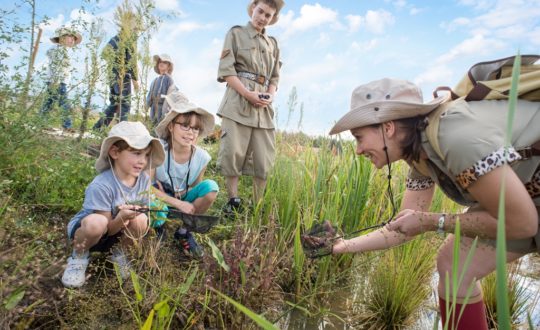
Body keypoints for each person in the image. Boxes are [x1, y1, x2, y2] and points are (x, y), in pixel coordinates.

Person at [314, 78, 540, 329]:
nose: (358, 149)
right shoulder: (421, 156)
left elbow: (522, 225)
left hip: (528, 205)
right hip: (529, 198)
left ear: (387, 128)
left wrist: (432, 222)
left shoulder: (456, 138)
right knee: (455, 266)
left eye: (359, 137)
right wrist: (341, 246)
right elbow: (401, 228)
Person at [61, 121, 165, 288]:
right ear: (115, 152)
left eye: (146, 155)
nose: (142, 161)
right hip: (96, 233)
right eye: (137, 153)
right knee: (96, 223)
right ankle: (79, 257)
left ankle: (119, 254)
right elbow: (106, 230)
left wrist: (142, 212)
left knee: (142, 220)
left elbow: (143, 214)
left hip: (118, 234)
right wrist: (122, 217)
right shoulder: (102, 185)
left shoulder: (144, 180)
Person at [216, 0, 285, 216]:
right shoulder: (236, 34)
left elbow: (275, 77)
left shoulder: (273, 43)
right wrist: (248, 94)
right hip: (238, 102)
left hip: (263, 107)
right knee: (232, 152)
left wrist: (270, 96)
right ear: (252, 8)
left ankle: (257, 206)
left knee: (264, 158)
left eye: (268, 15)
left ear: (272, 19)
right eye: (260, 11)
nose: (262, 17)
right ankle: (233, 201)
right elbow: (226, 71)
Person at [151, 91, 218, 258]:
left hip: (183, 197)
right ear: (171, 126)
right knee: (153, 201)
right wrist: (176, 202)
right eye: (185, 125)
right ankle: (157, 228)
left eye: (195, 128)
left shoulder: (201, 157)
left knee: (211, 187)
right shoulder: (157, 149)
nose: (190, 132)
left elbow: (197, 188)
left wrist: (184, 196)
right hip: (161, 199)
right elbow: (146, 188)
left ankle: (184, 231)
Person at [93, 6, 140, 130]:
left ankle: (98, 128)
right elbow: (131, 60)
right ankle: (121, 131)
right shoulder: (127, 38)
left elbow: (105, 53)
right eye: (133, 22)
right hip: (121, 75)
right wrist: (135, 80)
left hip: (113, 75)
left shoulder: (117, 38)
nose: (135, 26)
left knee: (115, 104)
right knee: (124, 104)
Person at [40, 26, 82, 130]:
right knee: (64, 103)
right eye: (70, 37)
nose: (72, 40)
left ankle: (40, 122)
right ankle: (67, 126)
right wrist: (57, 81)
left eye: (73, 38)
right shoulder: (58, 51)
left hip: (57, 81)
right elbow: (56, 67)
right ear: (62, 38)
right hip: (57, 81)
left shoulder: (62, 50)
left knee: (49, 102)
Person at [146, 54, 177, 126]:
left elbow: (171, 94)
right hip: (153, 108)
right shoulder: (155, 81)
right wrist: (146, 106)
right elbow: (150, 94)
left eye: (164, 62)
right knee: (152, 126)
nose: (161, 63)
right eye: (160, 62)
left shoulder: (169, 79)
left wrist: (166, 111)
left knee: (161, 127)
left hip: (163, 107)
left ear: (169, 66)